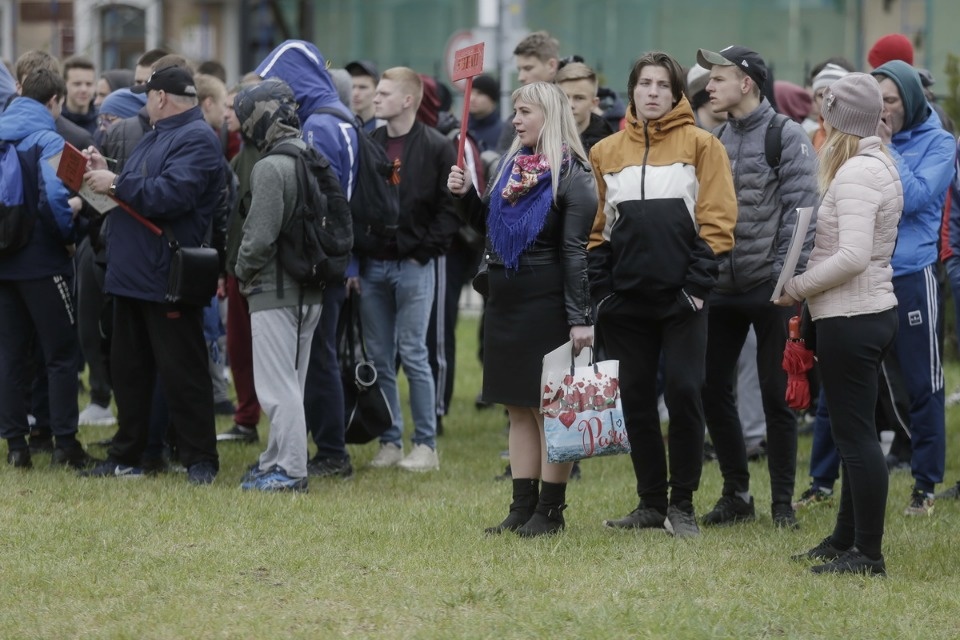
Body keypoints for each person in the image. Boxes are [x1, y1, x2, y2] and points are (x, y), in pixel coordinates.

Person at [589, 51, 737, 538]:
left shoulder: (703, 145)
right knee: (634, 398)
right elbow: (597, 232)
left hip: (682, 302)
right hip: (626, 304)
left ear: (676, 94)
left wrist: (695, 290)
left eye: (662, 85)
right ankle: (651, 502)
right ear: (632, 90)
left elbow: (716, 225)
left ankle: (683, 505)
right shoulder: (605, 152)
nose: (652, 92)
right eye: (644, 83)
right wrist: (604, 293)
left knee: (684, 391)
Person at [448, 81, 596, 536]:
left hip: (547, 305)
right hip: (506, 303)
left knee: (548, 410)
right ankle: (522, 505)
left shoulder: (574, 173)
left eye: (525, 111)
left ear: (548, 115)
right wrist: (467, 196)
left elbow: (575, 252)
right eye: (514, 111)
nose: (515, 119)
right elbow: (490, 229)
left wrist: (579, 319)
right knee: (516, 407)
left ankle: (550, 512)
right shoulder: (513, 167)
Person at [777, 72, 902, 576]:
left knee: (856, 438)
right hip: (864, 311)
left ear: (837, 120)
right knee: (859, 433)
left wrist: (798, 286)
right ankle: (845, 538)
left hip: (853, 314)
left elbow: (851, 255)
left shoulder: (855, 174)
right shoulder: (875, 163)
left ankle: (867, 554)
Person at [80, 65, 225, 485]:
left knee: (184, 372)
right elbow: (137, 187)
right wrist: (101, 170)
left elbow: (171, 195)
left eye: (147, 95)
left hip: (166, 277)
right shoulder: (159, 135)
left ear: (161, 97)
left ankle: (201, 459)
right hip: (133, 274)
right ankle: (130, 454)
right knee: (129, 372)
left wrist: (117, 182)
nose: (145, 102)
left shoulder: (197, 139)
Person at [696, 45, 818, 530]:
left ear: (746, 83)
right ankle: (737, 493)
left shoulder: (786, 136)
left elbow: (801, 213)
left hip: (773, 289)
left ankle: (783, 503)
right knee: (710, 388)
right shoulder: (716, 137)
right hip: (723, 286)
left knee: (776, 394)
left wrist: (786, 280)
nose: (710, 86)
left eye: (719, 77)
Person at [253, 40, 359, 480]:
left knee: (316, 361)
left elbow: (318, 201)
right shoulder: (339, 117)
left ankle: (330, 451)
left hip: (320, 260)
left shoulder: (318, 124)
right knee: (318, 358)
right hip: (337, 257)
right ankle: (325, 447)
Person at [232, 78, 328, 492]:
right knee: (292, 381)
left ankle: (289, 471)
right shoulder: (312, 156)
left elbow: (258, 237)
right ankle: (276, 459)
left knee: (276, 387)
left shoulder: (270, 166)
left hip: (273, 287)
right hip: (311, 286)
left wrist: (241, 272)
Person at [869, 60, 955, 515]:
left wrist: (886, 149)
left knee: (924, 383)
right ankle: (824, 481)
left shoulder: (939, 142)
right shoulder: (867, 140)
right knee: (865, 384)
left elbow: (920, 197)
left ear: (911, 98)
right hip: (869, 271)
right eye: (878, 99)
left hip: (913, 275)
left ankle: (924, 485)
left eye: (892, 99)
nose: (883, 109)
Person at [0, 68, 95, 470]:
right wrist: (69, 235)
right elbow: (57, 200)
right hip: (43, 261)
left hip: (4, 262)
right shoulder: (49, 139)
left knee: (10, 354)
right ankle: (65, 444)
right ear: (54, 101)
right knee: (60, 354)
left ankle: (16, 446)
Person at [364, 67, 458, 472]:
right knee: (379, 356)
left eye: (384, 93)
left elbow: (448, 209)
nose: (375, 98)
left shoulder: (437, 147)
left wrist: (423, 253)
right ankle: (390, 440)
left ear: (408, 100)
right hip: (374, 266)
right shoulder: (370, 143)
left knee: (415, 354)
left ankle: (425, 444)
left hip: (415, 266)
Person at [495, 31, 560, 153]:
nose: (521, 77)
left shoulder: (574, 111)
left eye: (528, 68)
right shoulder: (513, 122)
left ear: (551, 65)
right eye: (519, 69)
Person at [554, 61, 614, 155]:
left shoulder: (609, 147)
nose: (570, 105)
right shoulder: (538, 139)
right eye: (564, 97)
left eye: (579, 98)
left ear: (594, 103)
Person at [61, 55, 98, 137]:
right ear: (64, 84)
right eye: (77, 84)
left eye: (89, 84)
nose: (84, 89)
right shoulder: (55, 120)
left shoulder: (102, 123)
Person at [467, 73, 502, 152]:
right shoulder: (462, 128)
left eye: (479, 93)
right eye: (471, 92)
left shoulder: (504, 132)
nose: (472, 98)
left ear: (492, 99)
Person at [345, 60, 380, 133]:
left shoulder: (388, 127)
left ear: (377, 89)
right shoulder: (339, 124)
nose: (355, 93)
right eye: (352, 87)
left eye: (363, 87)